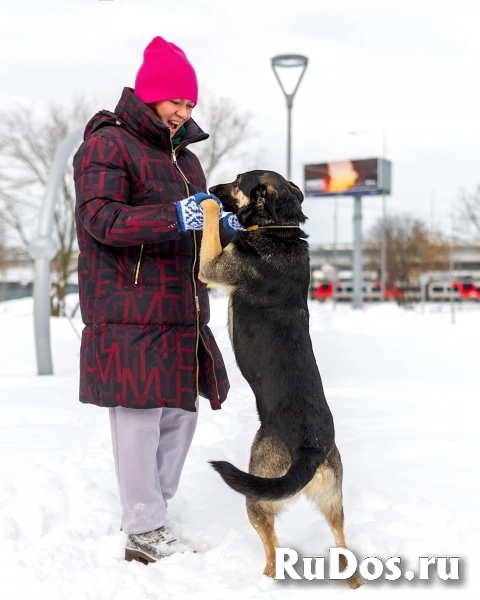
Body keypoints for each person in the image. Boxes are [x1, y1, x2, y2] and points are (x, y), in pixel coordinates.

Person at [73, 36, 242, 565]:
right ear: (149, 96)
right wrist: (176, 216)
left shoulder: (186, 160)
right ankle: (144, 528)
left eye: (190, 104)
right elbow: (100, 220)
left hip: (181, 306)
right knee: (139, 417)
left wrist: (225, 228)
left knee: (180, 415)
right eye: (175, 102)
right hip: (127, 305)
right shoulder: (108, 144)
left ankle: (154, 514)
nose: (182, 112)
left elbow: (196, 230)